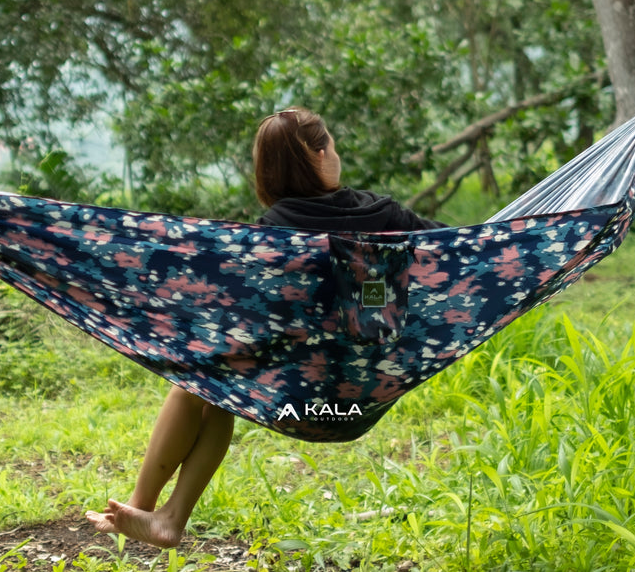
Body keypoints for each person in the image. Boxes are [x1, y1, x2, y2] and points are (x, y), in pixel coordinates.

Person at [86, 106, 443, 548]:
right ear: (317, 155)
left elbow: (230, 313)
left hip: (294, 397)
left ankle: (143, 505)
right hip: (360, 395)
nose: (336, 151)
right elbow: (458, 252)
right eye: (330, 142)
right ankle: (165, 520)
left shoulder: (269, 235)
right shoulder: (385, 216)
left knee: (198, 385)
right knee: (210, 393)